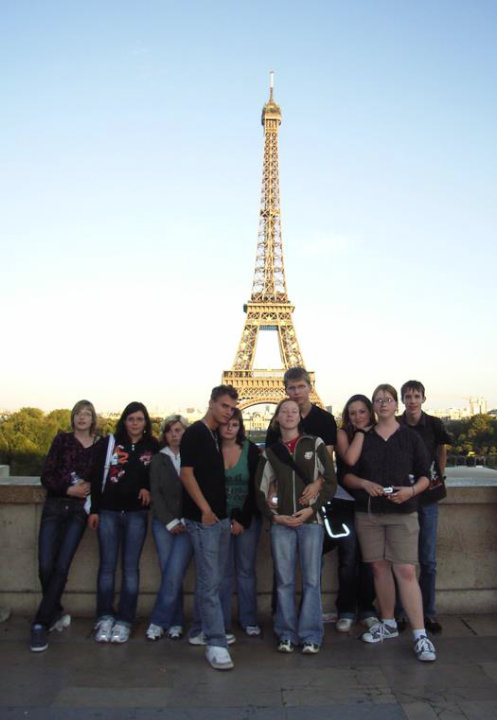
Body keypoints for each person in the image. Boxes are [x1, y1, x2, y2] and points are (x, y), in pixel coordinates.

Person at [343, 384, 437, 662]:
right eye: (378, 400)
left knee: (406, 570)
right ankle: (388, 623)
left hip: (403, 511)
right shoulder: (364, 437)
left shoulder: (410, 438)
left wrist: (410, 492)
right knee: (378, 569)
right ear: (374, 406)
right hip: (370, 513)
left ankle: (420, 635)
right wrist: (364, 483)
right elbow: (347, 474)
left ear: (396, 405)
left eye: (388, 399)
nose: (383, 403)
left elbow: (425, 475)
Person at [257, 398, 337, 654]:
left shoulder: (315, 444)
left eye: (294, 411)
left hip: (311, 522)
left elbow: (330, 481)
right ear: (276, 418)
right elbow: (259, 491)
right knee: (284, 581)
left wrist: (311, 509)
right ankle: (286, 634)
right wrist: (274, 517)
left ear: (300, 417)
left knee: (312, 580)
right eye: (284, 411)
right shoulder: (270, 453)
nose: (290, 415)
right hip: (282, 524)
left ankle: (311, 634)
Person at [265, 367, 337, 619]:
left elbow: (326, 462)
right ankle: (283, 621)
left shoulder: (324, 420)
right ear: (286, 390)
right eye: (291, 388)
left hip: (312, 505)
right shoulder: (279, 423)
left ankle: (309, 623)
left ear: (309, 386)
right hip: (284, 505)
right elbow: (270, 466)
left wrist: (317, 485)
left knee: (312, 572)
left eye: (300, 387)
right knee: (284, 574)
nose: (296, 393)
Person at [30, 400, 100, 652]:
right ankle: (55, 610)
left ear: (94, 419)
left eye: (87, 414)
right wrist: (70, 488)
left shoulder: (101, 445)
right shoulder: (61, 441)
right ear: (72, 418)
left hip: (79, 512)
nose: (82, 418)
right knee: (46, 564)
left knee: (61, 566)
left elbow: (102, 479)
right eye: (78, 414)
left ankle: (40, 623)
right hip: (56, 506)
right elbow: (46, 474)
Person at [88, 401, 159, 644]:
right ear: (124, 421)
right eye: (131, 419)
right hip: (108, 510)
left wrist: (147, 488)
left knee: (130, 568)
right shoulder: (109, 444)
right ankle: (105, 616)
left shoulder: (153, 445)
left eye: (139, 419)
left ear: (145, 422)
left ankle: (125, 619)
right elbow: (97, 477)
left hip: (136, 512)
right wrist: (94, 509)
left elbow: (158, 476)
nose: (135, 423)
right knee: (107, 567)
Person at [180, 385, 238, 671]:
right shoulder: (194, 433)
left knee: (212, 579)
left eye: (231, 408)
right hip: (204, 519)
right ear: (211, 403)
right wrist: (204, 510)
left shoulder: (214, 435)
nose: (229, 411)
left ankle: (200, 630)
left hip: (220, 518)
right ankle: (216, 642)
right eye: (225, 406)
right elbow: (186, 473)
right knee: (210, 581)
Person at [397, 380, 452, 634]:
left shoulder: (434, 424)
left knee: (427, 561)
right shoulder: (395, 424)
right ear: (402, 400)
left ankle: (427, 613)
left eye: (416, 396)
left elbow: (441, 450)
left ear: (423, 398)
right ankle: (400, 612)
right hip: (404, 499)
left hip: (428, 498)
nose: (412, 400)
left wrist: (439, 475)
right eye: (407, 396)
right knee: (400, 560)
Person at [333, 394, 378, 632]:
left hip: (371, 504)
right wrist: (361, 432)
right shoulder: (344, 433)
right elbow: (349, 461)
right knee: (348, 557)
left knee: (369, 559)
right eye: (352, 413)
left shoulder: (381, 433)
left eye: (362, 412)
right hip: (346, 504)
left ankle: (367, 608)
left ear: (370, 412)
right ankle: (347, 609)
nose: (357, 417)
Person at [146, 414, 193, 641]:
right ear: (165, 435)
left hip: (187, 523)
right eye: (171, 431)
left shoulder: (193, 458)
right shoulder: (158, 460)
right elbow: (156, 494)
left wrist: (184, 519)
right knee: (170, 573)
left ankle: (159, 620)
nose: (175, 435)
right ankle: (175, 622)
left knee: (173, 573)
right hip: (164, 524)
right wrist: (170, 521)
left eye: (179, 430)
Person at [219, 408, 262, 637]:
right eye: (226, 423)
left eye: (234, 424)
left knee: (245, 571)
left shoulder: (251, 451)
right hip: (219, 520)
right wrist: (225, 520)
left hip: (246, 520)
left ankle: (249, 619)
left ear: (240, 427)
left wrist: (241, 519)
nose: (229, 428)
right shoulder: (212, 451)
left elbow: (257, 490)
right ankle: (222, 623)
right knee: (224, 573)